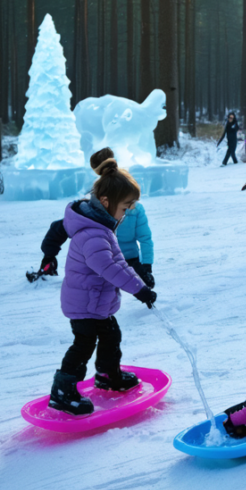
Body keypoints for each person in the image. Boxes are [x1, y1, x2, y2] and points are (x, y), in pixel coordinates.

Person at [47, 155, 157, 415]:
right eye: (125, 206)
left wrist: (139, 281)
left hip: (97, 302)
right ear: (106, 202)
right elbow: (109, 269)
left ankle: (107, 376)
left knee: (111, 335)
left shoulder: (103, 228)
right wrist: (138, 290)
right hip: (84, 304)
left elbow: (120, 262)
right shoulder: (92, 234)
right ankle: (62, 391)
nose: (127, 212)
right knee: (83, 345)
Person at [38, 148, 155, 288]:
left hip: (129, 260)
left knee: (142, 285)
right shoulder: (90, 214)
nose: (129, 208)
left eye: (131, 203)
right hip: (99, 263)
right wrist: (49, 256)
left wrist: (146, 267)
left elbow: (145, 238)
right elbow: (59, 228)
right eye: (126, 205)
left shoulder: (136, 210)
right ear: (106, 201)